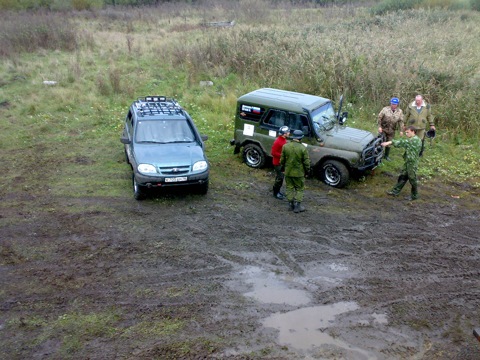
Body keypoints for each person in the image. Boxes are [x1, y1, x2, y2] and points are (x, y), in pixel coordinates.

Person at [381, 126, 422, 200]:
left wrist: (389, 142)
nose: (406, 134)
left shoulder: (414, 140)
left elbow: (402, 142)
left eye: (407, 132)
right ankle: (395, 191)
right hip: (408, 162)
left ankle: (414, 195)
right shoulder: (412, 139)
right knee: (403, 176)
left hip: (412, 163)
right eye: (405, 132)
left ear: (413, 131)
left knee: (412, 179)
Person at [280, 130, 310, 213]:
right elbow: (306, 162)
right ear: (301, 138)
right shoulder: (303, 148)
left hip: (288, 171)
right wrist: (307, 171)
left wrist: (283, 168)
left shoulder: (285, 146)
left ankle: (290, 204)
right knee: (299, 189)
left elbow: (282, 160)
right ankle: (297, 206)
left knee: (289, 188)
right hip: (299, 173)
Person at [271, 126, 290, 199]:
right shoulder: (278, 141)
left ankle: (277, 191)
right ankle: (276, 193)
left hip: (281, 163)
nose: (289, 133)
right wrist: (283, 156)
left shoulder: (283, 140)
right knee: (280, 178)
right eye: (288, 132)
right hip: (277, 163)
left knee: (280, 177)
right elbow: (273, 152)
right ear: (284, 134)